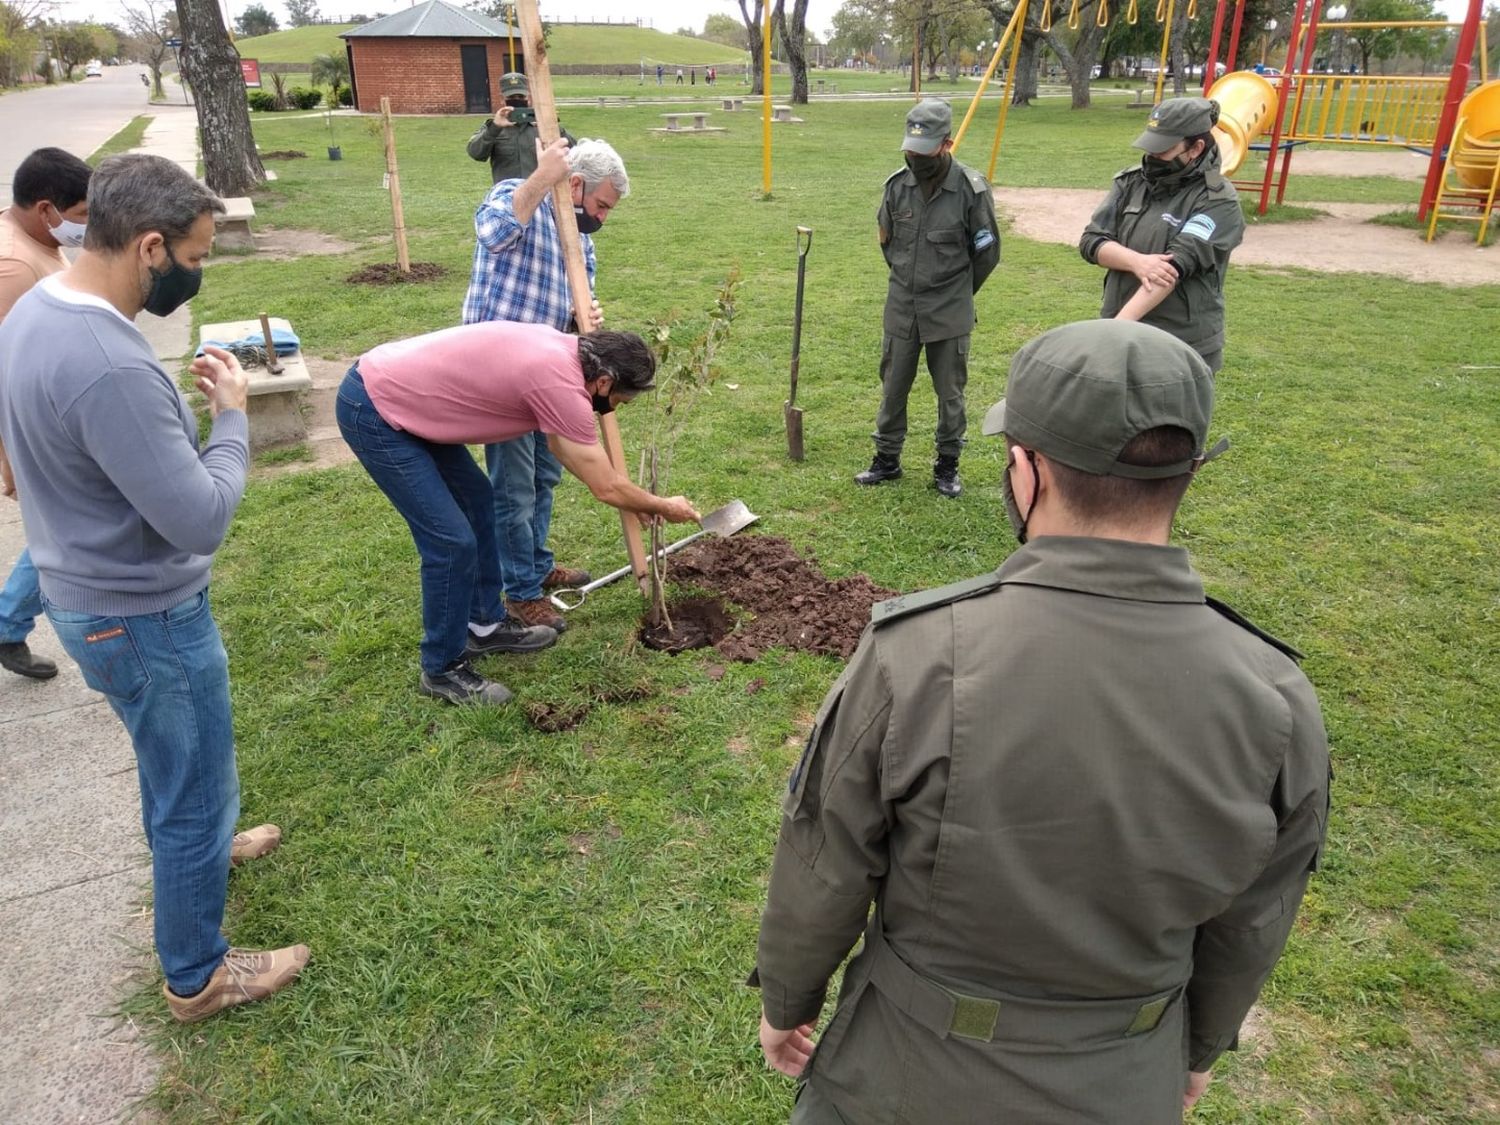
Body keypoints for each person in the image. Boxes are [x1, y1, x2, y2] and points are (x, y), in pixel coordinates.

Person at [753, 319, 1330, 1124]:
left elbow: (824, 858)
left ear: (1025, 470)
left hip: (906, 1078)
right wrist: (1197, 1050)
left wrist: (787, 999)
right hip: (1126, 1079)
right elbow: (1256, 915)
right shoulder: (1277, 696)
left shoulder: (917, 657)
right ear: (1189, 472)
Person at [0, 154, 308, 1021]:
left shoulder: (40, 308)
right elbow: (200, 517)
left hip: (83, 594)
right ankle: (198, 975)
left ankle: (206, 842)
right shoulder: (110, 361)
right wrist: (234, 417)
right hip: (142, 617)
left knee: (172, 765)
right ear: (147, 247)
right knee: (190, 784)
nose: (197, 270)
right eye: (195, 253)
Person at [337, 324, 700, 703]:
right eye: (620, 401)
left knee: (478, 501)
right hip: (376, 407)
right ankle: (441, 668)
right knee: (451, 541)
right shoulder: (559, 385)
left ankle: (484, 625)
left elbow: (566, 451)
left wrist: (637, 500)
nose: (615, 410)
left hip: (407, 396)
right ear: (605, 382)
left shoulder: (565, 356)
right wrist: (660, 505)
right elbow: (604, 485)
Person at [463, 136, 628, 633]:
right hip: (501, 375)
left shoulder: (583, 244)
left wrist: (586, 318)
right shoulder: (517, 195)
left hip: (548, 377)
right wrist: (541, 178)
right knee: (513, 487)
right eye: (600, 205)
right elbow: (491, 233)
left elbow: (578, 321)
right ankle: (520, 592)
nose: (601, 217)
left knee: (544, 477)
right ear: (574, 184)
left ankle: (533, 562)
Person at [856, 98, 999, 499]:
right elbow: (889, 246)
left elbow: (987, 252)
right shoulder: (896, 188)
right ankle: (887, 459)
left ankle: (947, 464)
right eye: (910, 148)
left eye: (924, 149)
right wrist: (910, 281)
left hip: (950, 308)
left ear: (946, 144)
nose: (914, 156)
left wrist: (956, 293)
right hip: (902, 305)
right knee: (893, 386)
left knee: (950, 393)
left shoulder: (970, 190)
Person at [0, 147, 92, 682]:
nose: (85, 228)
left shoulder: (33, 239)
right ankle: (9, 622)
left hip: (54, 418)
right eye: (80, 216)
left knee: (58, 529)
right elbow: (7, 371)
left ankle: (8, 622)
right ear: (45, 209)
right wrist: (13, 459)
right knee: (64, 530)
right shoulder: (12, 265)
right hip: (34, 430)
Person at [1079, 96, 1245, 373]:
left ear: (1196, 148)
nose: (1152, 157)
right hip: (1123, 330)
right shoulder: (1131, 182)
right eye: (1150, 146)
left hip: (1179, 342)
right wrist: (1137, 262)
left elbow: (1172, 267)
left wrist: (1115, 330)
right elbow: (1092, 241)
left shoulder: (1218, 199)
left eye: (1163, 149)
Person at [466, 71, 574, 185]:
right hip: (507, 196)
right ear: (502, 99)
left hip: (541, 193)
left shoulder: (541, 125)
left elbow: (574, 151)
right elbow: (475, 153)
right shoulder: (494, 127)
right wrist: (494, 128)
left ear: (529, 97)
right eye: (511, 97)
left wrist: (554, 127)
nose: (517, 100)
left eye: (521, 96)